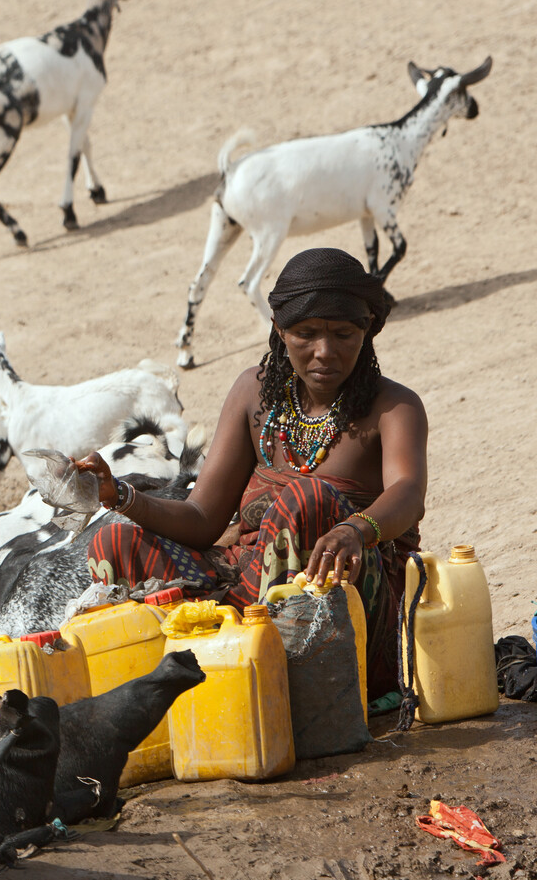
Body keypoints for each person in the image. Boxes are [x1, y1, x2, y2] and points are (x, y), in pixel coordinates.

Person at [80, 247, 426, 702]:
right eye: (306, 334)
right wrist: (121, 496)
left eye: (344, 334)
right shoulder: (253, 393)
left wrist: (356, 530)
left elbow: (408, 490)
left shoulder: (393, 407)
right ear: (279, 331)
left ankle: (253, 676)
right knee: (114, 542)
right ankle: (167, 688)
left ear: (367, 332)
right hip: (240, 583)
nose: (325, 353)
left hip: (352, 604)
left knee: (309, 502)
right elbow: (203, 517)